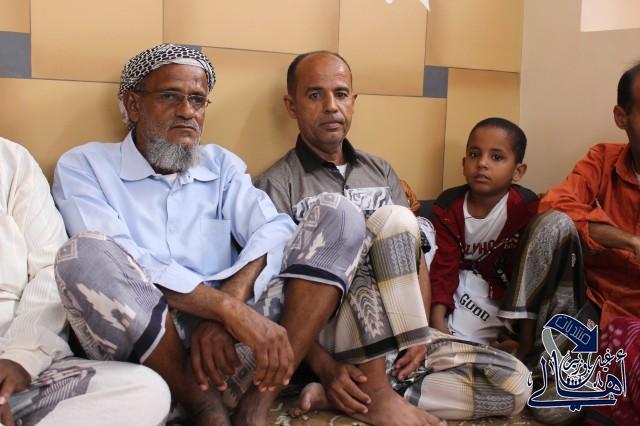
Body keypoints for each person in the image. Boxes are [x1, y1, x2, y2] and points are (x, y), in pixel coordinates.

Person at [52, 44, 435, 426]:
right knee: (85, 252)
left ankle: (256, 404)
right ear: (133, 105)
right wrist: (226, 310)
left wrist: (230, 308)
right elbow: (122, 261)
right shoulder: (85, 166)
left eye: (197, 100)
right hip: (145, 353)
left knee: (341, 214)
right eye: (170, 96)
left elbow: (276, 230)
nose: (187, 111)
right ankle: (205, 410)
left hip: (231, 351)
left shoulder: (221, 165)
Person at [255, 51, 531, 423]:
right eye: (315, 95)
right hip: (335, 338)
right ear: (292, 105)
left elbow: (415, 256)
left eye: (341, 94)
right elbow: (280, 296)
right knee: (366, 222)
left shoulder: (380, 171)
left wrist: (420, 333)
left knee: (515, 385)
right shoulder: (277, 184)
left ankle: (361, 394)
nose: (331, 106)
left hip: (401, 331)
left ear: (353, 101)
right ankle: (366, 389)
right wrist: (325, 368)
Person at [0, 136, 170, 425]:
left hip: (18, 362)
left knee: (145, 390)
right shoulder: (82, 166)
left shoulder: (12, 161)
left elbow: (49, 269)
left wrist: (22, 356)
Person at [537, 63, 640, 424]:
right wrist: (629, 241)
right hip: (594, 306)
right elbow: (553, 206)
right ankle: (532, 348)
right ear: (621, 117)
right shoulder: (603, 159)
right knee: (550, 412)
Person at [429, 118, 539, 358]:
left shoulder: (526, 209)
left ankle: (500, 349)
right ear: (464, 163)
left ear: (518, 171)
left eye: (496, 157)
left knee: (468, 343)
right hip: (455, 287)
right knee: (422, 235)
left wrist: (524, 341)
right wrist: (437, 323)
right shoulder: (448, 207)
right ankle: (460, 345)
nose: (482, 163)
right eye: (474, 154)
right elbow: (443, 268)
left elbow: (529, 279)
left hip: (500, 297)